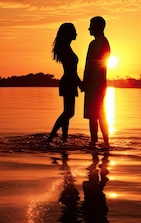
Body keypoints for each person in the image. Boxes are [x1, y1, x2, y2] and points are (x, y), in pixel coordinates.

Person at [47, 23, 82, 143]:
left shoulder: (67, 47)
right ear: (68, 33)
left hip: (69, 81)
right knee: (69, 112)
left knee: (67, 112)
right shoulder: (65, 48)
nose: (76, 33)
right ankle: (51, 137)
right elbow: (71, 70)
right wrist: (80, 83)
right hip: (69, 81)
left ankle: (64, 138)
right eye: (74, 31)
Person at [82, 16, 110, 148]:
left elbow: (90, 65)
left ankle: (94, 143)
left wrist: (85, 82)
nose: (89, 28)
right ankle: (105, 143)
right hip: (101, 84)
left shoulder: (95, 43)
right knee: (100, 113)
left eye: (91, 25)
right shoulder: (105, 42)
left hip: (94, 84)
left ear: (98, 27)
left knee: (94, 115)